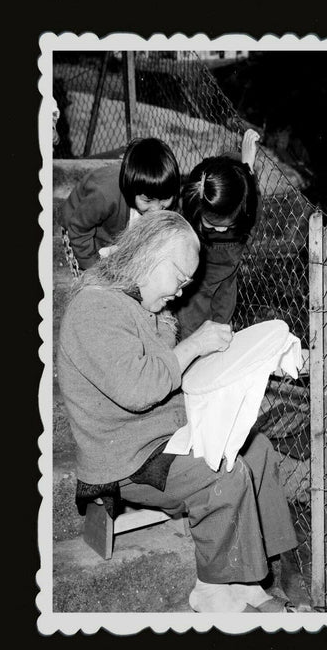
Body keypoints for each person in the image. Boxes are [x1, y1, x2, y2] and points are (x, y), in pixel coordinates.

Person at [57, 211, 298, 612]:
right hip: (127, 459)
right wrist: (195, 346)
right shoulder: (95, 308)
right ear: (149, 256)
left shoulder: (142, 305)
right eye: (180, 277)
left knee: (258, 450)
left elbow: (171, 375)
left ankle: (253, 579)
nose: (183, 289)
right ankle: (213, 591)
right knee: (223, 472)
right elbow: (139, 388)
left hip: (161, 436)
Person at [174, 128, 261, 339]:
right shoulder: (192, 214)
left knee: (223, 322)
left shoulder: (246, 210)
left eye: (227, 225)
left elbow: (251, 195)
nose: (221, 230)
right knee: (191, 329)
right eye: (212, 225)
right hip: (196, 283)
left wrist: (248, 164)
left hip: (227, 278)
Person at [57, 137, 180, 270]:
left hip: (114, 227)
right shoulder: (104, 195)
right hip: (79, 229)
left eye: (165, 199)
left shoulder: (160, 193)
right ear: (131, 190)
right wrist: (91, 267)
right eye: (148, 200)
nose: (156, 209)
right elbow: (78, 228)